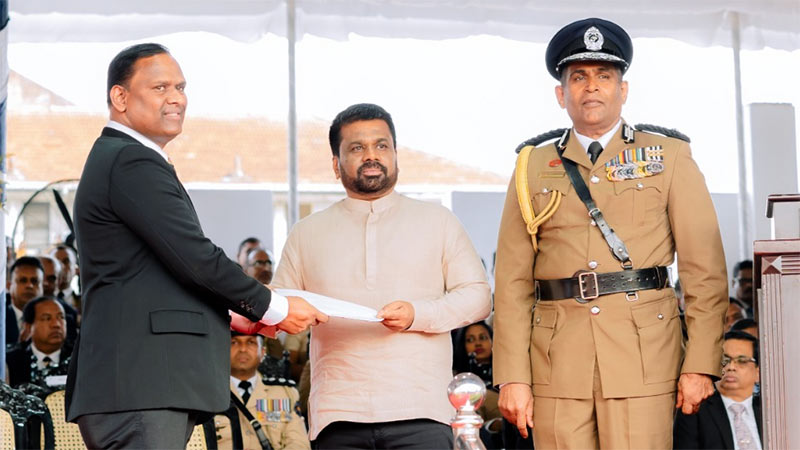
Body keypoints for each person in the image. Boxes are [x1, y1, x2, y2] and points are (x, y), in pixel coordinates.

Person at [65, 43, 327, 449]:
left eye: (181, 86)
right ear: (120, 97)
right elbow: (195, 258)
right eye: (160, 87)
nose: (176, 98)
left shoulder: (125, 158)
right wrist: (275, 307)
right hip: (141, 384)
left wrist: (233, 313)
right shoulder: (130, 161)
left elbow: (156, 274)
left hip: (143, 384)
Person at [492, 18, 728, 449]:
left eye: (605, 76)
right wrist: (511, 376)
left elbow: (704, 271)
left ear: (624, 90)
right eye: (578, 77)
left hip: (644, 357)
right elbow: (511, 284)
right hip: (557, 361)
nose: (592, 87)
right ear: (561, 94)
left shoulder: (668, 157)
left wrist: (701, 364)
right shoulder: (530, 166)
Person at [272, 103, 492, 448]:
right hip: (338, 413)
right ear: (336, 164)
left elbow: (478, 297)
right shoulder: (307, 232)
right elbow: (279, 307)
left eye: (381, 145)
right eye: (357, 148)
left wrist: (418, 314)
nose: (371, 155)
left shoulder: (438, 221)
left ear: (395, 155)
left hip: (422, 409)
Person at [218, 331, 310, 450]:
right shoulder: (207, 396)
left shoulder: (283, 393)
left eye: (251, 342)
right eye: (234, 342)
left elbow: (298, 443)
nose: (243, 349)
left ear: (262, 353)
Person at [673, 331, 762, 449]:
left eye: (742, 361)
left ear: (758, 372)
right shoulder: (696, 409)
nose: (731, 367)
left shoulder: (768, 410)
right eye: (725, 360)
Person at [6, 296, 73, 387]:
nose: (56, 324)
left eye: (61, 317)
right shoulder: (10, 361)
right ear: (28, 327)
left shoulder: (76, 358)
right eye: (47, 318)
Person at [38, 255, 79, 344]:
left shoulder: (69, 315)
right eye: (41, 277)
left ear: (60, 281)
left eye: (51, 279)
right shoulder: (6, 309)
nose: (45, 283)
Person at [5, 256, 44, 345]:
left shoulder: (60, 318)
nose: (29, 285)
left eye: (35, 281)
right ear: (9, 285)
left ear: (43, 287)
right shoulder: (1, 317)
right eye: (23, 280)